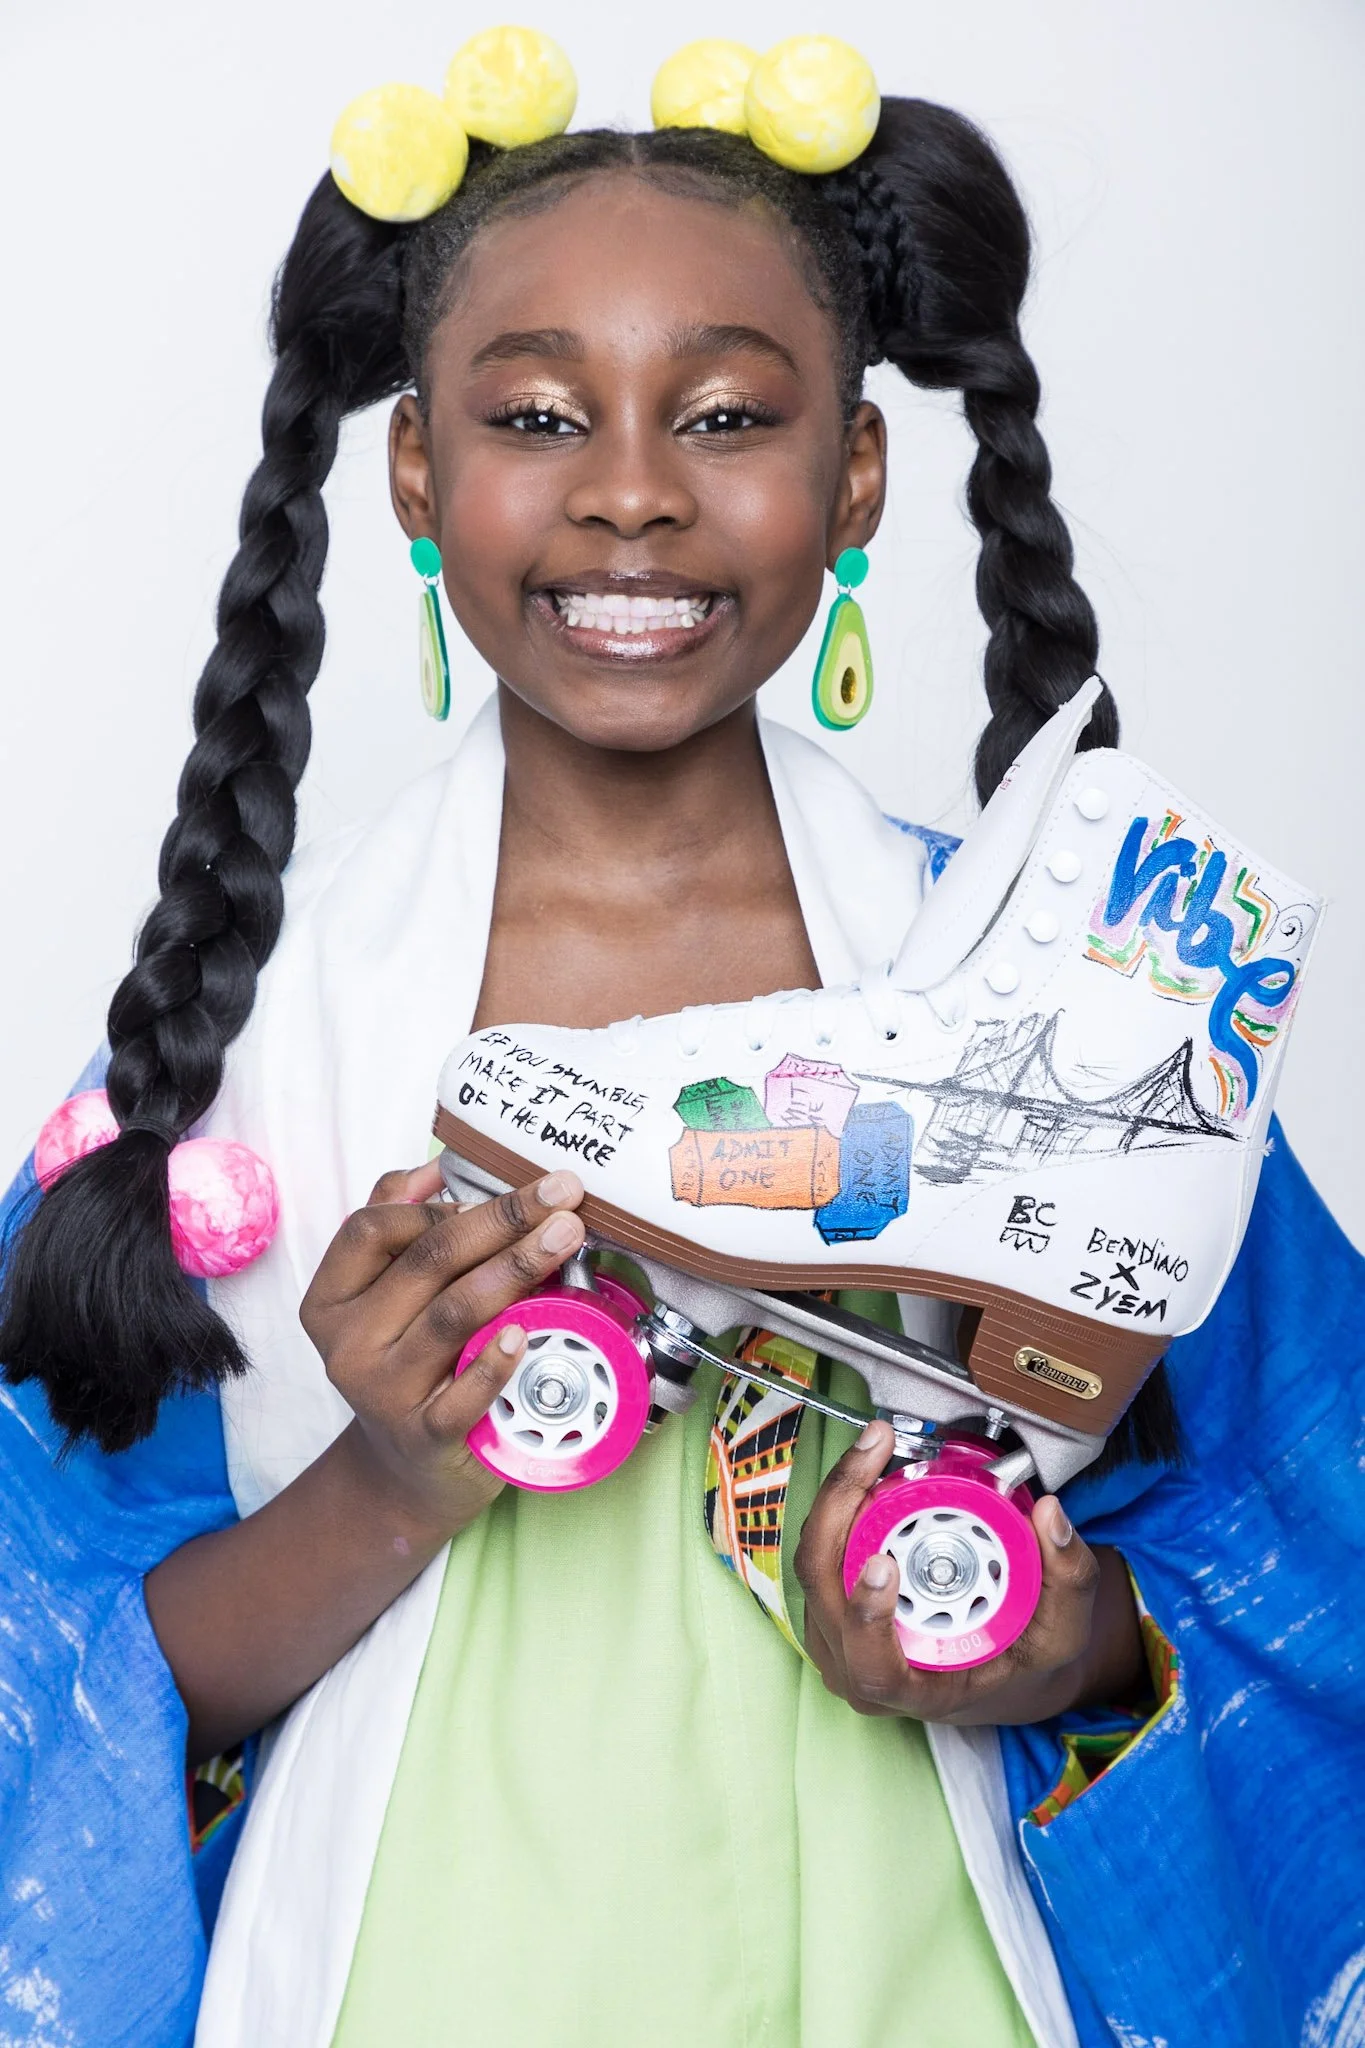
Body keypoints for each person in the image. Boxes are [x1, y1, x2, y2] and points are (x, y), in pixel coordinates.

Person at [0, 31, 1359, 2048]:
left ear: (857, 474)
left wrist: (1068, 1648)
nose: (631, 490)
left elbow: (1301, 1560)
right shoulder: (237, 1064)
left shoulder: (1067, 1006)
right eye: (538, 413)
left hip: (937, 1972)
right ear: (412, 470)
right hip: (419, 1977)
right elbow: (56, 1693)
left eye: (725, 412)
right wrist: (390, 1478)